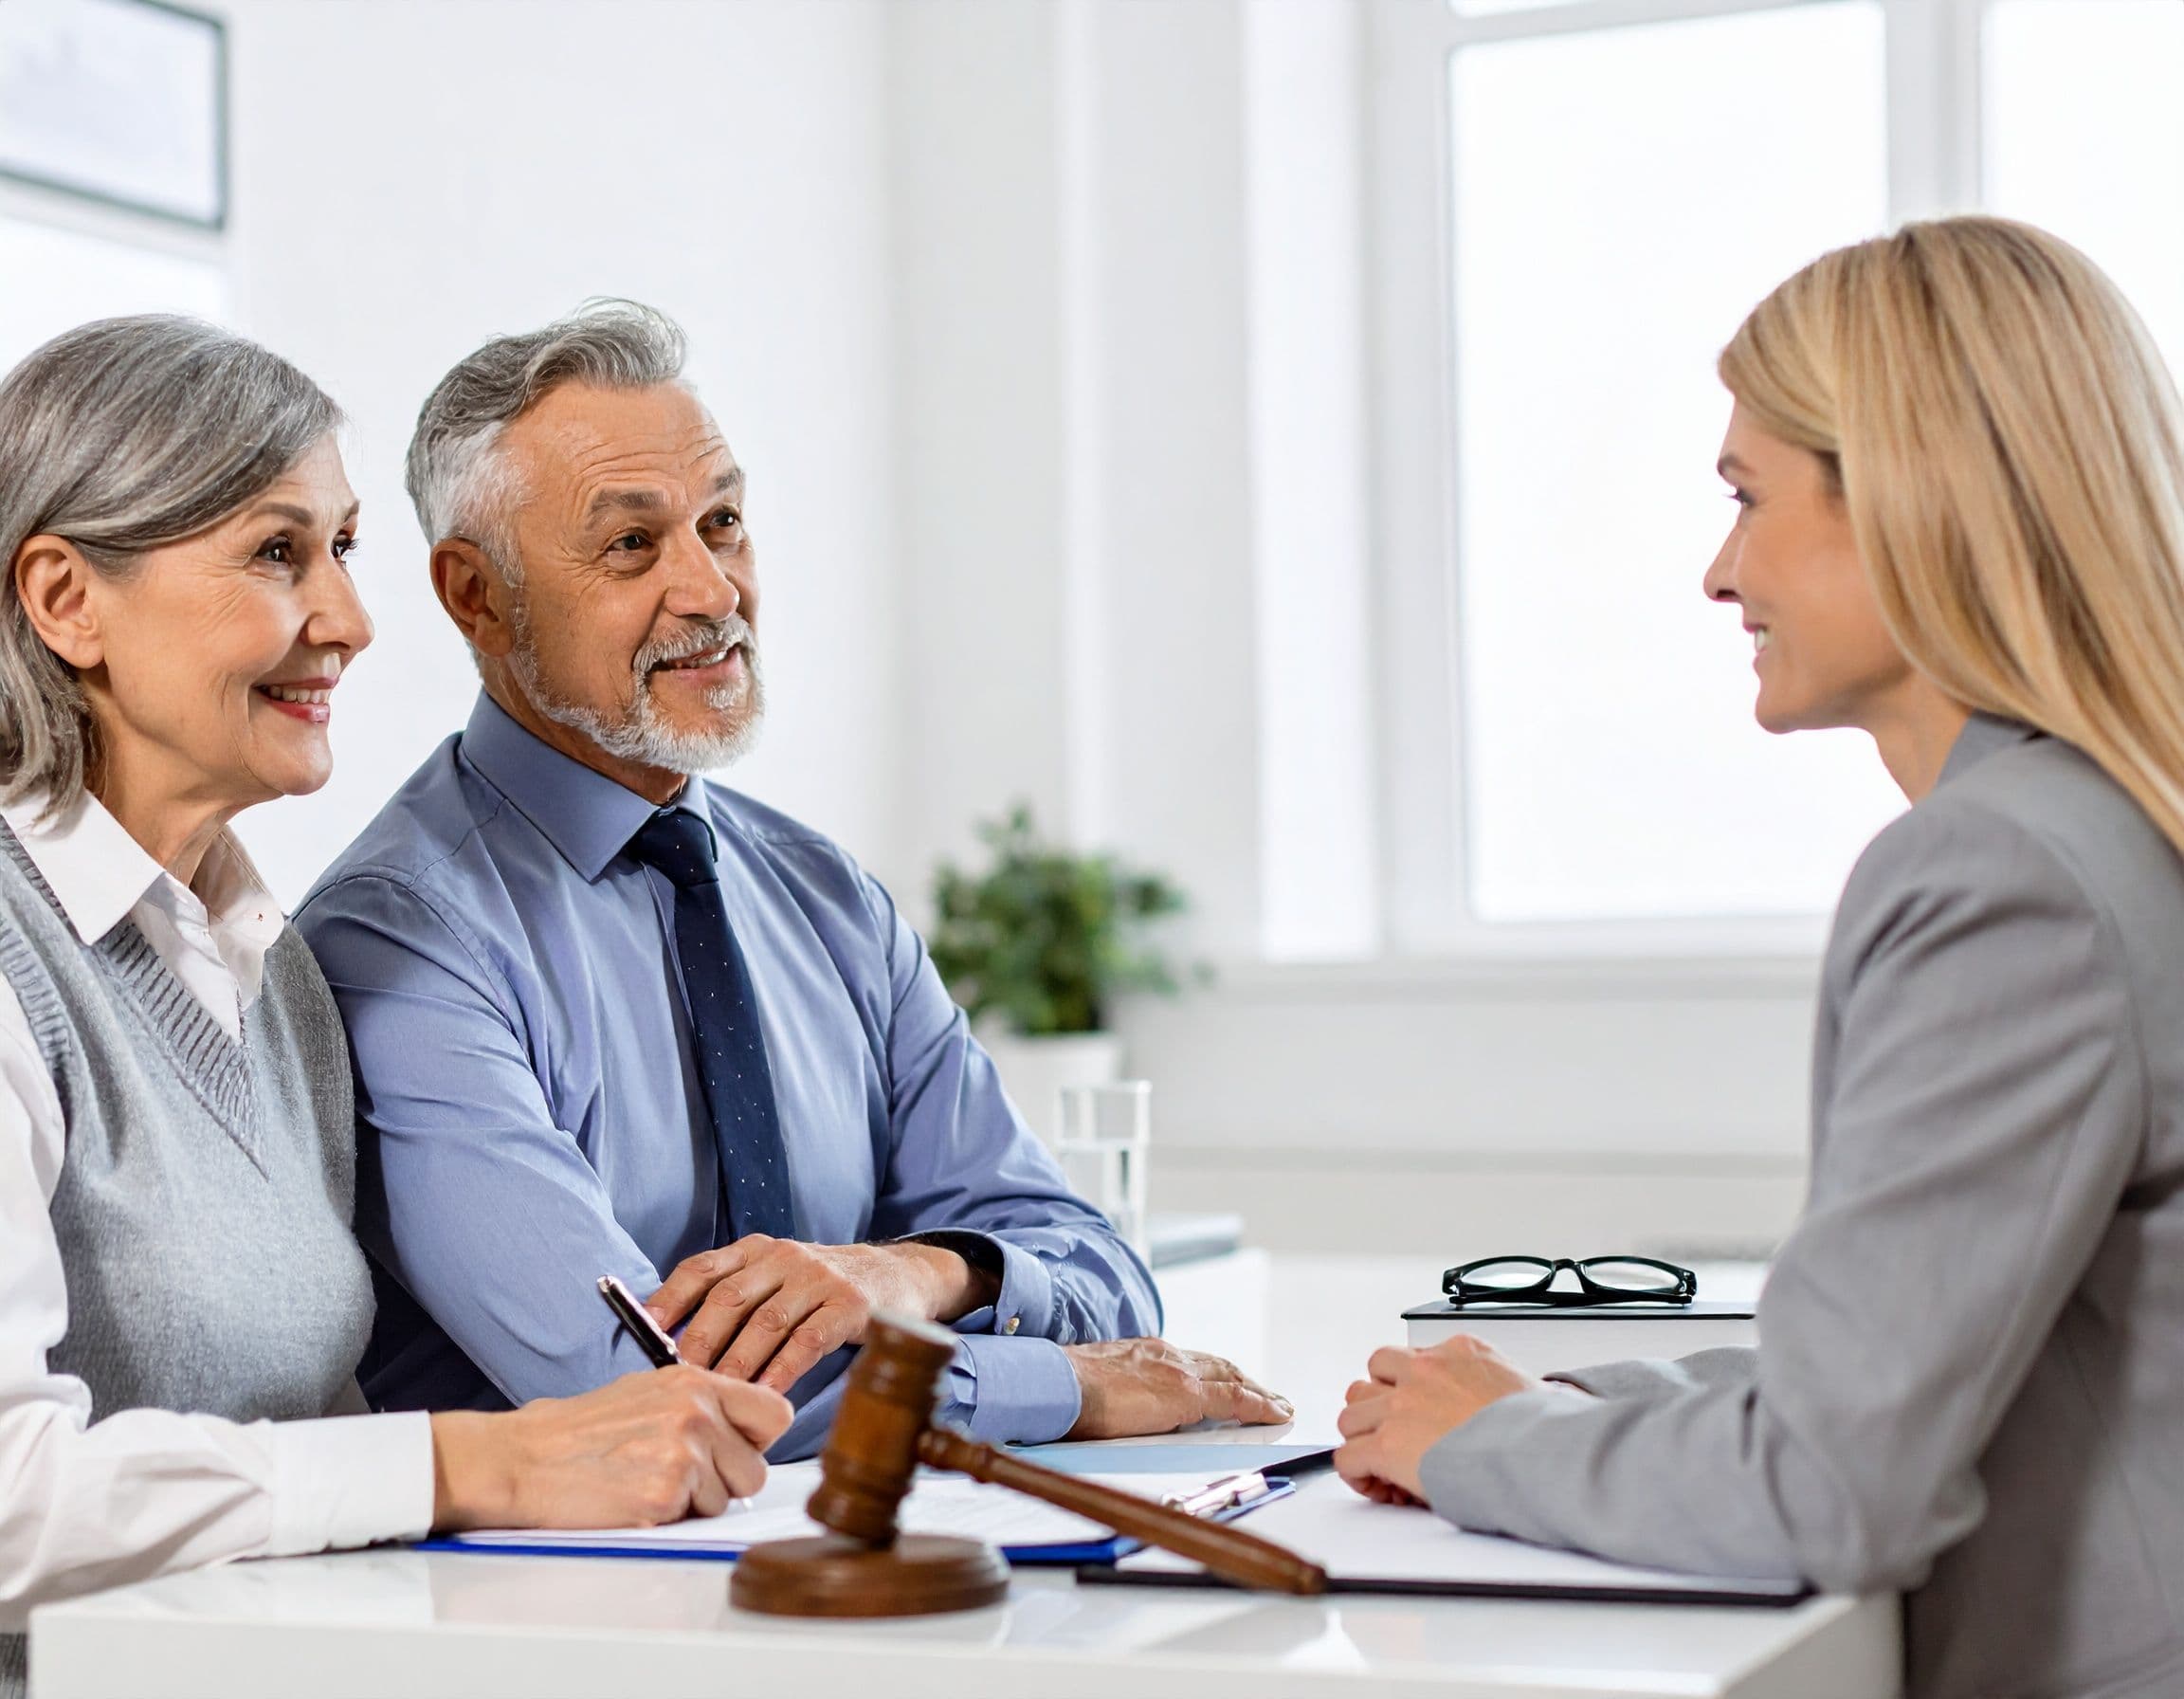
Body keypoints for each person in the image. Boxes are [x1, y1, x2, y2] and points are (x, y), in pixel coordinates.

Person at [1334, 216, 2184, 1699]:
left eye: (1747, 497)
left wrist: (1484, 1445)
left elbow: (1827, 1485)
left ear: (1913, 501)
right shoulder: (2114, 832)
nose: (1721, 575)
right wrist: (1560, 1404)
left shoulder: (2000, 872)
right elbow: (1942, 1360)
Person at [299, 301, 1290, 1456]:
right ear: (476, 596)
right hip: (574, 1608)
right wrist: (1067, 1386)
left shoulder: (830, 901)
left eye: (723, 522)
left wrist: (917, 1272)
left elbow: (1103, 1270)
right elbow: (636, 1382)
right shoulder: (402, 944)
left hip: (909, 1565)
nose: (714, 591)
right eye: (633, 545)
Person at [0, 317, 795, 1695]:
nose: (353, 624)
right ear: (68, 601)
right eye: (274, 551)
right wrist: (471, 1461)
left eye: (345, 549)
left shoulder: (268, 972)